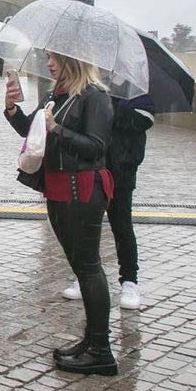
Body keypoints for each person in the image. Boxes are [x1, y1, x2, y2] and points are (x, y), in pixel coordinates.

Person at [4, 53, 117, 376]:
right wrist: (13, 110)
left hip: (81, 189)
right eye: (49, 57)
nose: (50, 63)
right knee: (80, 267)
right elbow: (35, 134)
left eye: (56, 58)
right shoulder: (58, 94)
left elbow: (96, 146)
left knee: (89, 266)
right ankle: (90, 341)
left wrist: (57, 128)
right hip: (58, 187)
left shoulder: (95, 96)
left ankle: (101, 351)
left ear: (75, 60)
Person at [61, 93, 154, 310]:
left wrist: (105, 110)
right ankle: (86, 277)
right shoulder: (94, 89)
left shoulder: (137, 93)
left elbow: (141, 121)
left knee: (121, 225)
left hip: (122, 168)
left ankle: (130, 281)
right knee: (85, 226)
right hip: (91, 167)